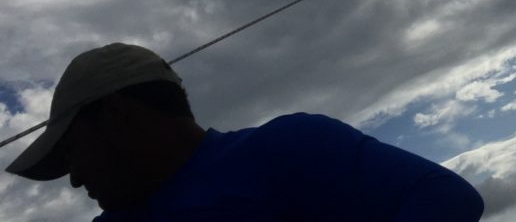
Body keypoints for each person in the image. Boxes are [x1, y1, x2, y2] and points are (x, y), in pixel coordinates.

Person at [5, 43, 485, 221]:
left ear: (117, 115)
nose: (73, 179)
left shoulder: (288, 149)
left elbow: (445, 198)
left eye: (73, 151)